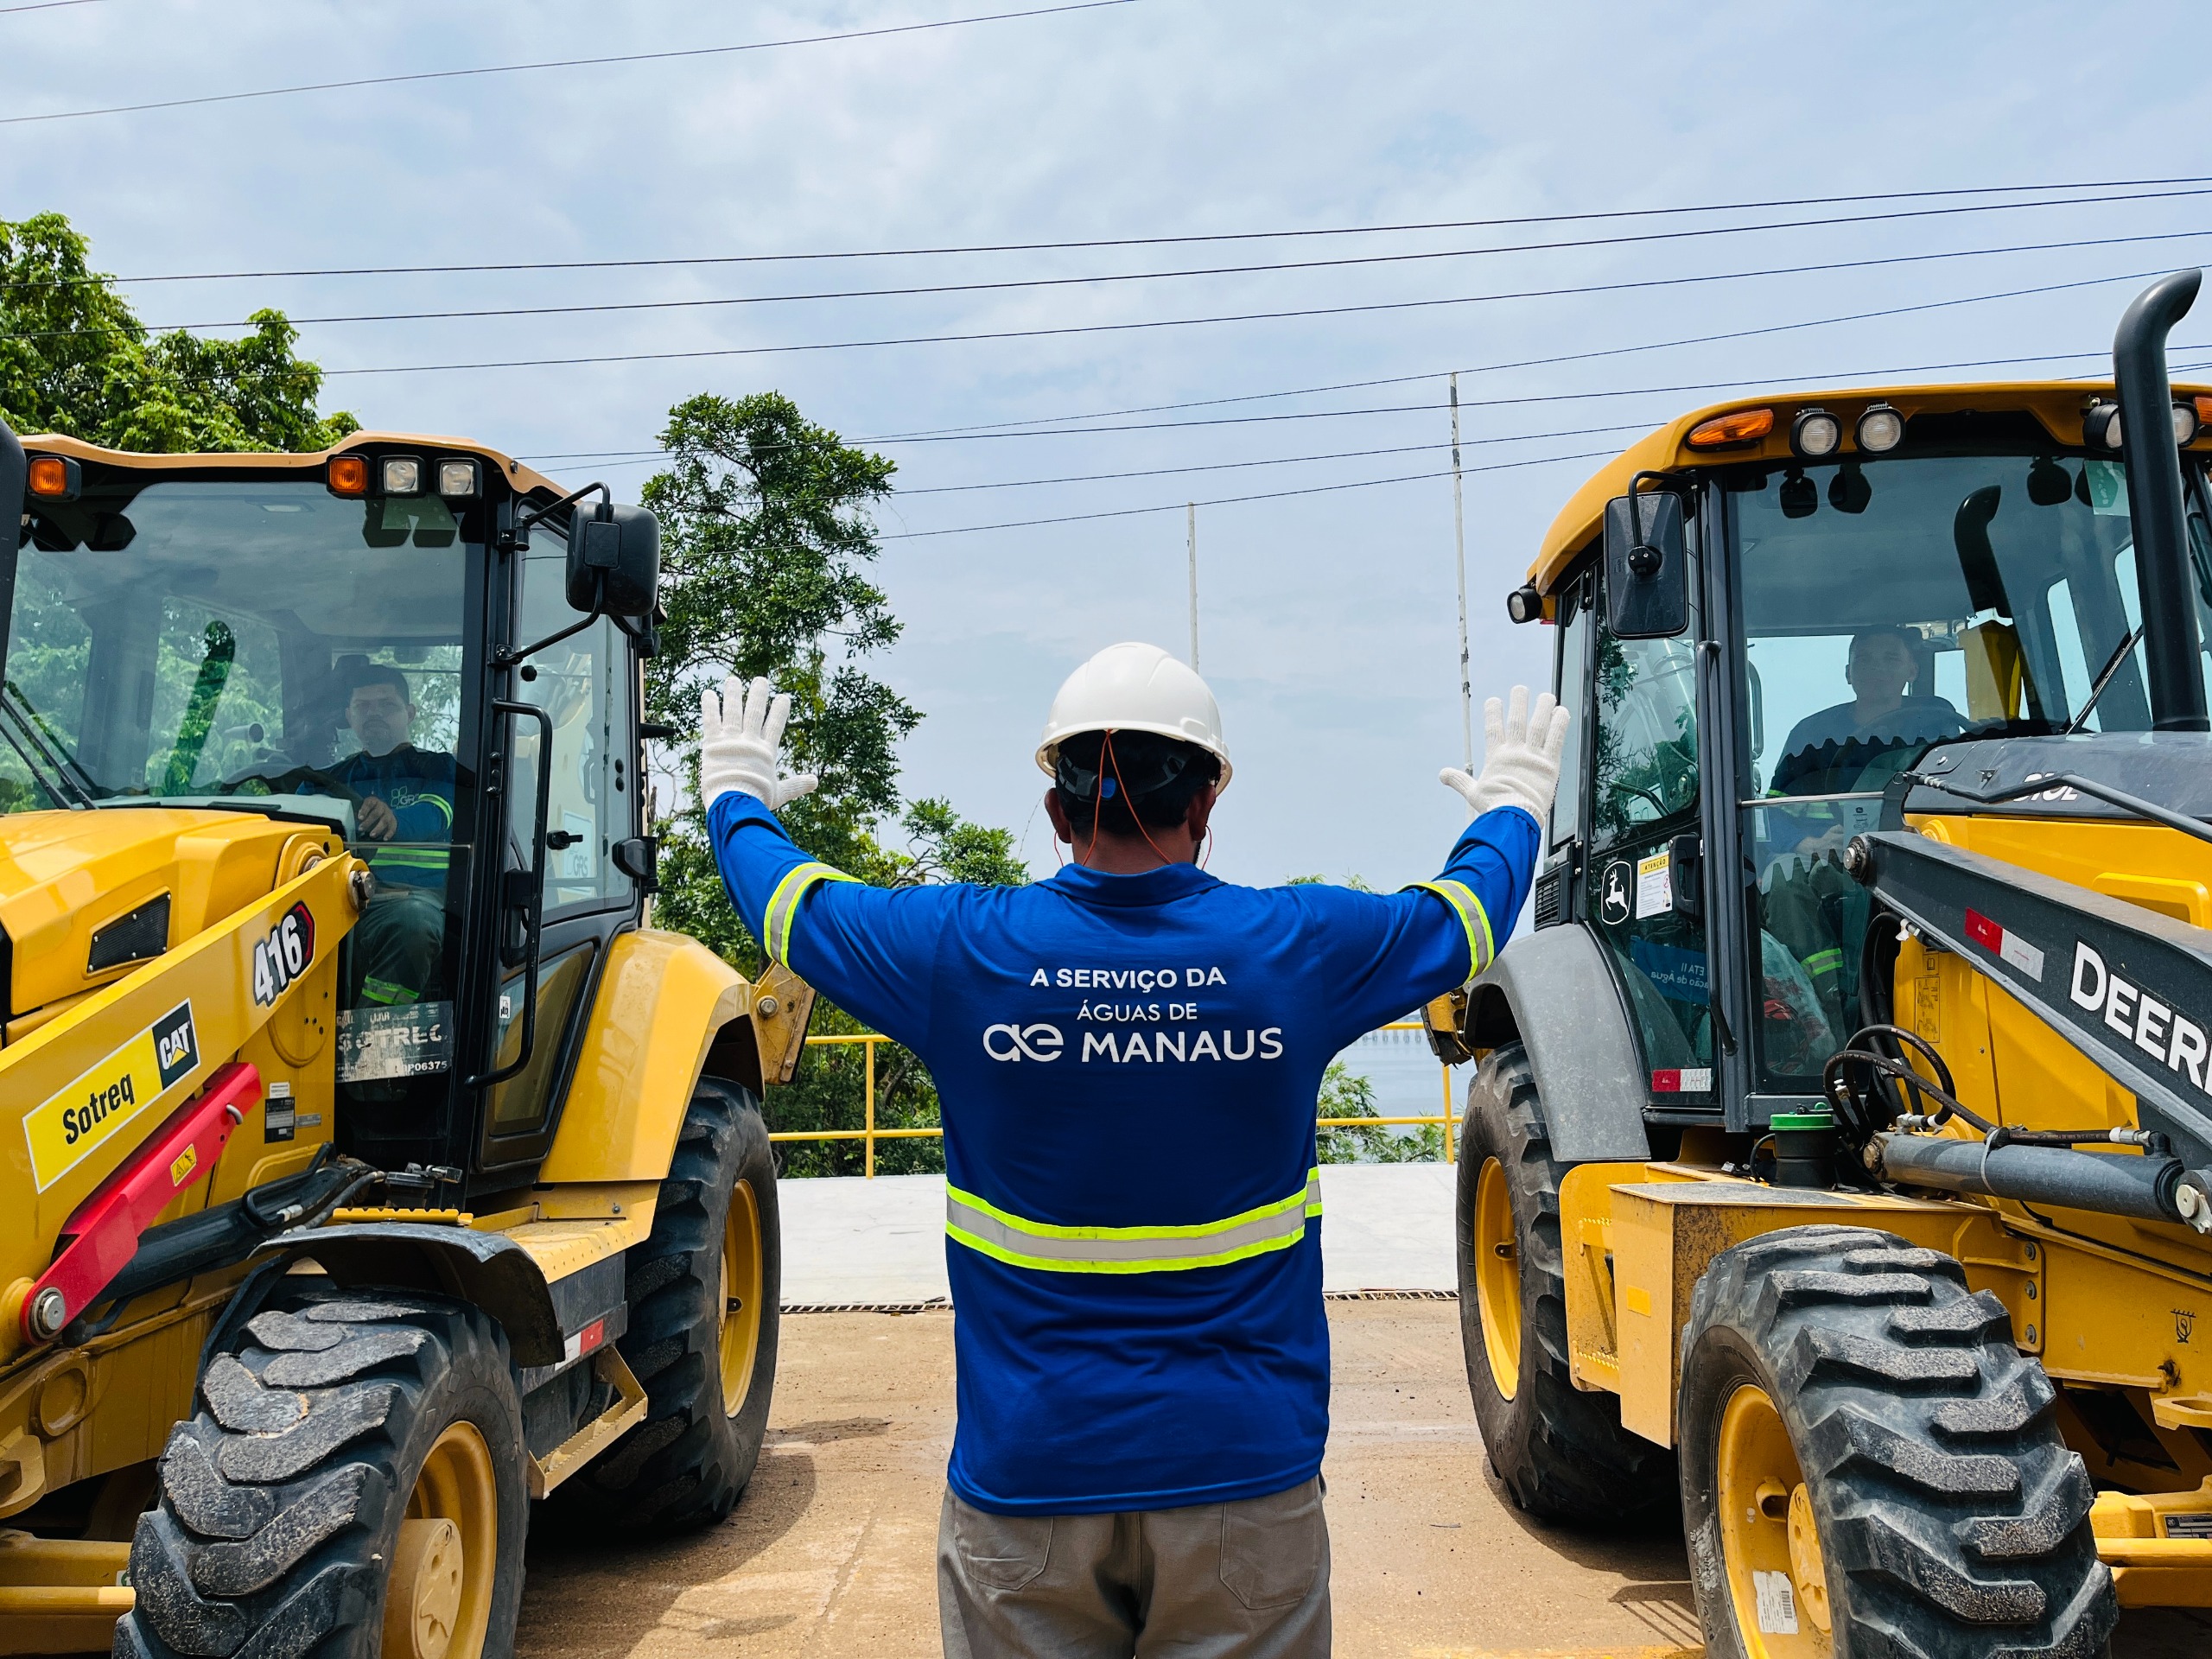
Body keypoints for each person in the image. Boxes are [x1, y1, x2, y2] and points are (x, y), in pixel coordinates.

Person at [702, 641, 1566, 1659]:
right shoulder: (1295, 949)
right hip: (1245, 1482)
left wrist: (735, 794)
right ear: (1206, 801)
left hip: (1027, 1482)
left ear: (1060, 810)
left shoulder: (958, 951)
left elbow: (789, 904)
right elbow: (1462, 917)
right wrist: (1512, 802)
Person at [328, 664, 455, 1010]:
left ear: (410, 713)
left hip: (417, 898)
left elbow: (436, 812)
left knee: (412, 924)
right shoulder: (329, 779)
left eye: (387, 705)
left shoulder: (441, 769)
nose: (374, 714)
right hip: (340, 900)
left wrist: (394, 820)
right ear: (348, 716)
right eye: (363, 707)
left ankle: (368, 1034)